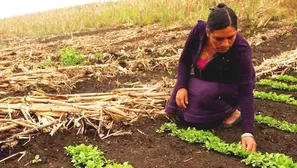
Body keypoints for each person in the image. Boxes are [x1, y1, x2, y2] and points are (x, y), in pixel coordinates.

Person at [165, 3, 256, 152]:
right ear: (208, 32)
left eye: (230, 37)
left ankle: (233, 111)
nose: (225, 44)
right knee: (177, 107)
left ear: (236, 32)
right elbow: (185, 61)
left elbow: (246, 92)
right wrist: (181, 86)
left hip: (230, 87)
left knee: (202, 96)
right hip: (206, 76)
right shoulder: (199, 31)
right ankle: (205, 104)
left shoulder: (241, 49)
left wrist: (248, 132)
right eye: (219, 39)